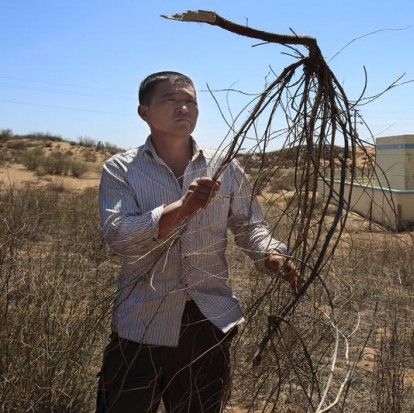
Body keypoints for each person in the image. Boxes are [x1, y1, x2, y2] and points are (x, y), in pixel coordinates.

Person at [96, 71, 299, 413]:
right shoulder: (121, 170)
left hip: (207, 321)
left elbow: (251, 226)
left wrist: (270, 254)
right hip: (141, 322)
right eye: (171, 100)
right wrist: (181, 209)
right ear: (144, 112)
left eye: (190, 101)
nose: (183, 108)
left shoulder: (224, 166)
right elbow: (119, 237)